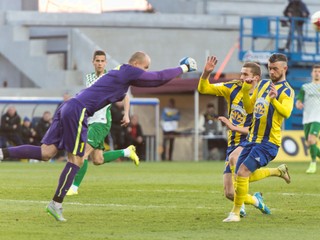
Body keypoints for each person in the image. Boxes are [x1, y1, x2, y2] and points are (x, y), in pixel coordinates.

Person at [0, 51, 197, 222]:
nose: (145, 71)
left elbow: (128, 91)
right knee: (76, 160)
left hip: (69, 107)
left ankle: (2, 153)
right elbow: (157, 78)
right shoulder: (128, 70)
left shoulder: (119, 75)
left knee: (46, 152)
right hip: (78, 111)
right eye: (145, 67)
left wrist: (126, 113)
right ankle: (55, 204)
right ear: (136, 64)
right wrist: (183, 68)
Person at [198, 56, 291, 218]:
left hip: (251, 139)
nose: (241, 78)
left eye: (245, 74)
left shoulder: (273, 89)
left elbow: (259, 123)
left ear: (255, 77)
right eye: (241, 74)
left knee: (238, 165)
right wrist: (206, 73)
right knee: (229, 192)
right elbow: (204, 89)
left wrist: (234, 126)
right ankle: (256, 199)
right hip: (233, 141)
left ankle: (237, 210)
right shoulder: (234, 87)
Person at [223, 53, 294, 222]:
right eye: (270, 68)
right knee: (240, 176)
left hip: (268, 142)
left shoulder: (287, 91)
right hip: (252, 140)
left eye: (275, 68)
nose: (272, 71)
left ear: (285, 69)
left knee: (241, 173)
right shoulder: (262, 85)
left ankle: (235, 213)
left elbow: (287, 112)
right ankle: (278, 171)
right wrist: (247, 90)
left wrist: (274, 100)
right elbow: (249, 108)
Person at [67, 50, 138, 196]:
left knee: (82, 153)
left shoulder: (110, 78)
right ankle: (127, 151)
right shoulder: (88, 78)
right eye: (97, 61)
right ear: (93, 62)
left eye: (102, 61)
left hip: (101, 122)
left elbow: (125, 96)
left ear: (105, 63)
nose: (99, 63)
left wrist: (126, 114)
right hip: (89, 121)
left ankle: (74, 187)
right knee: (98, 159)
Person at [295, 64, 320, 173]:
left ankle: (313, 164)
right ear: (311, 73)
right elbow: (299, 101)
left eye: (319, 71)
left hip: (317, 118)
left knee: (311, 139)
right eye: (315, 71)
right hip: (307, 119)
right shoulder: (305, 87)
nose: (317, 73)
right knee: (309, 143)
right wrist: (298, 104)